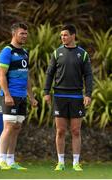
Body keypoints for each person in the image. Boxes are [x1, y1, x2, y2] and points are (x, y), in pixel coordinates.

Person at [44, 24, 93, 171]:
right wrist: (46, 92)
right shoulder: (56, 53)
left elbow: (88, 75)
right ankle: (60, 162)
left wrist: (88, 94)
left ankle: (76, 163)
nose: (62, 38)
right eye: (61, 35)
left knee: (76, 131)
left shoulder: (82, 54)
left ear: (73, 35)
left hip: (76, 96)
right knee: (60, 131)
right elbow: (49, 73)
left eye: (65, 35)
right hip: (59, 95)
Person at [0, 22, 38, 170]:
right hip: (10, 95)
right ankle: (1, 161)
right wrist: (7, 94)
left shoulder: (25, 53)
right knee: (8, 127)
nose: (25, 36)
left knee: (16, 128)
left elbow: (26, 77)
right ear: (14, 33)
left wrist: (31, 97)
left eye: (26, 34)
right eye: (22, 33)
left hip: (21, 96)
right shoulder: (7, 51)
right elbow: (1, 75)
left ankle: (11, 161)